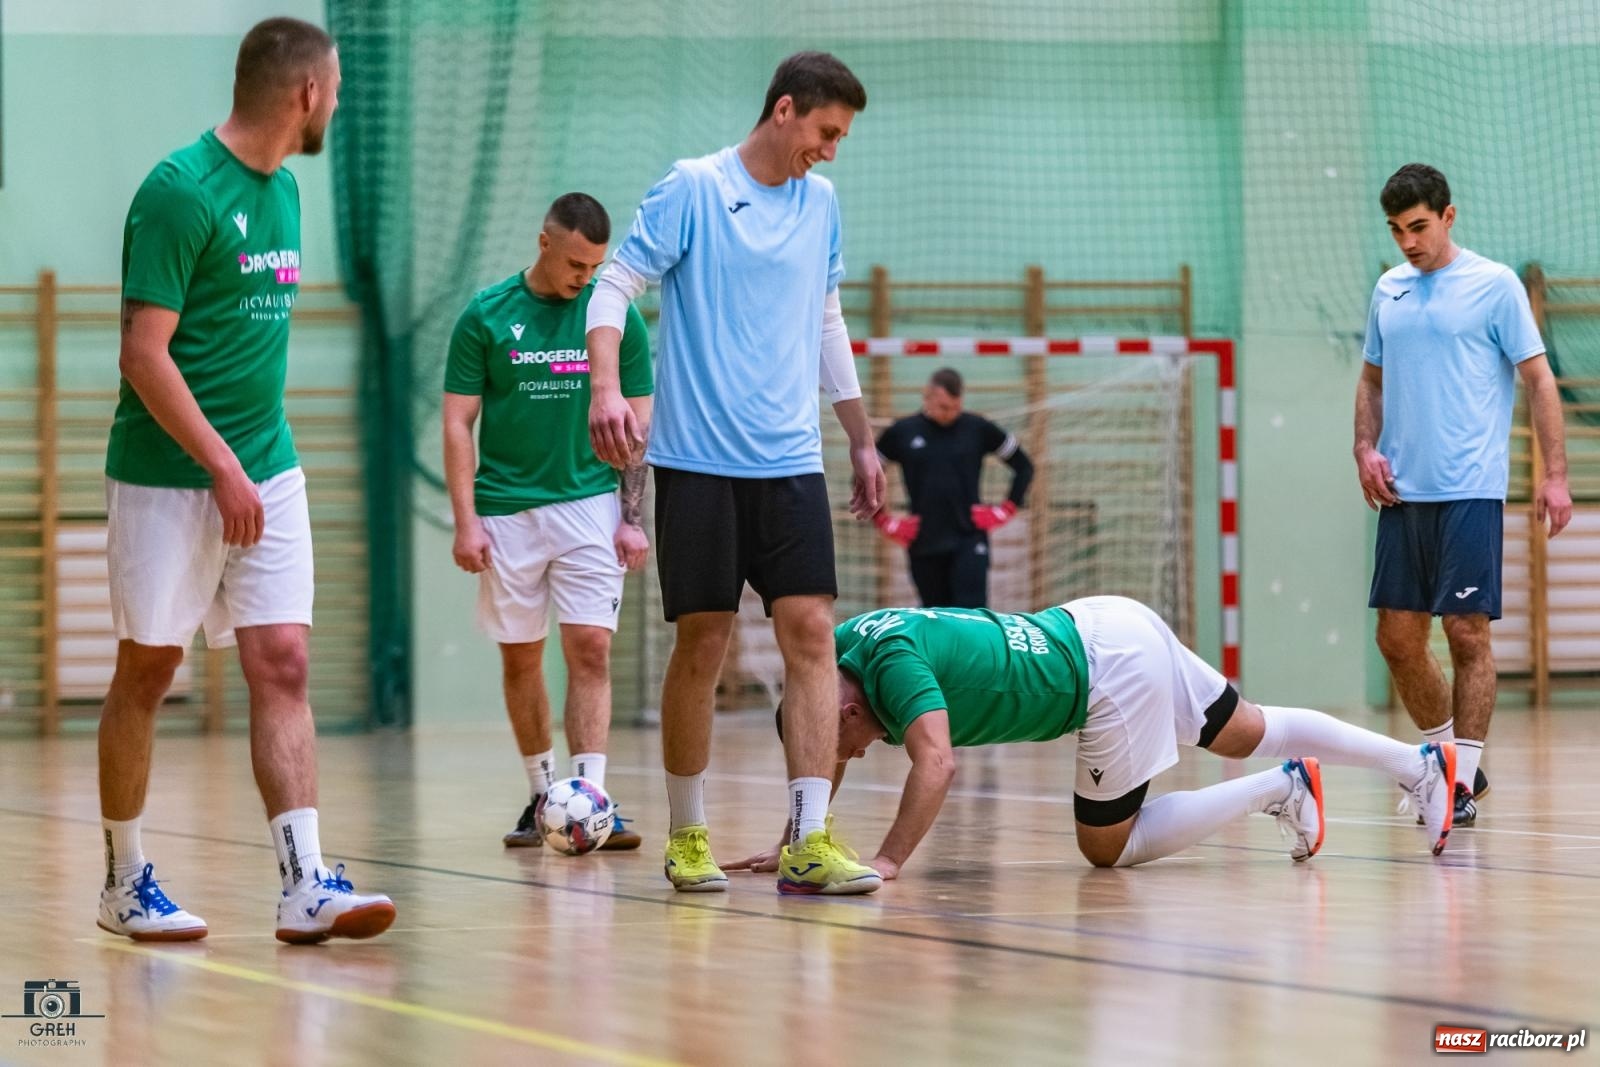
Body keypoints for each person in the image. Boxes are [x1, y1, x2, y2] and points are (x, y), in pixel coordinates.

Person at [100, 17, 393, 943]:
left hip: (269, 466)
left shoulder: (289, 194)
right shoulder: (177, 193)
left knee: (286, 662)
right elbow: (144, 356)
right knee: (147, 671)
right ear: (306, 93)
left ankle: (305, 881)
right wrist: (219, 465)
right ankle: (122, 880)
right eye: (334, 89)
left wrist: (248, 463)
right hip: (168, 476)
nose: (336, 104)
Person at [586, 52, 886, 894]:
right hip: (696, 462)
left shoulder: (821, 204)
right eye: (826, 132)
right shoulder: (694, 187)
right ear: (785, 110)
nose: (829, 150)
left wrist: (859, 435)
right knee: (704, 643)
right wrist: (604, 386)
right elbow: (614, 285)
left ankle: (810, 836)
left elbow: (827, 317)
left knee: (813, 633)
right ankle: (688, 834)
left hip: (790, 461)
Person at [728, 599, 1456, 879]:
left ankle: (1285, 786)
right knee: (1247, 728)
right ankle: (1419, 764)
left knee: (1106, 847)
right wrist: (801, 835)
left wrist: (887, 860)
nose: (849, 757)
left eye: (843, 749)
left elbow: (938, 763)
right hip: (1104, 619)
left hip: (1106, 678)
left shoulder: (890, 667)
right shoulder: (845, 645)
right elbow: (822, 745)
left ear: (844, 714)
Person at [1354, 163, 1571, 826]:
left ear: (1448, 217)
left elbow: (1538, 381)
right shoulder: (1388, 290)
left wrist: (1555, 474)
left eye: (1418, 227)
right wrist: (1364, 448)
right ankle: (1449, 766)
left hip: (1471, 489)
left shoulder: (1495, 285)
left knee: (1466, 632)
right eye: (1396, 230)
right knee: (1396, 639)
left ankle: (1458, 779)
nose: (1408, 242)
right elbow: (1370, 382)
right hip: (1402, 495)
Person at [443, 193, 652, 853]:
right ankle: (542, 794)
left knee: (590, 647)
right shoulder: (486, 315)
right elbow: (456, 422)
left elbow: (638, 425)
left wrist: (632, 515)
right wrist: (465, 520)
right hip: (505, 510)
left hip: (590, 502)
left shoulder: (614, 321)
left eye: (594, 267)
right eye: (574, 263)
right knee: (522, 655)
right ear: (544, 241)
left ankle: (591, 800)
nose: (583, 278)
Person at [873, 367, 1034, 607]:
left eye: (956, 407)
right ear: (928, 396)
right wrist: (884, 520)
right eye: (945, 407)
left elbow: (1024, 466)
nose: (952, 414)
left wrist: (1006, 509)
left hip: (969, 539)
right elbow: (866, 475)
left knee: (971, 616)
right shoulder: (902, 432)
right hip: (924, 542)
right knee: (936, 619)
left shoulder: (977, 428)